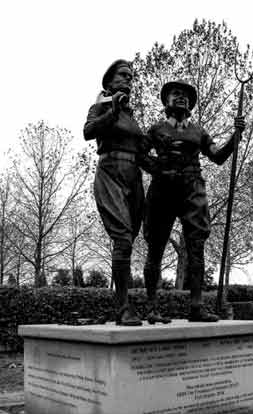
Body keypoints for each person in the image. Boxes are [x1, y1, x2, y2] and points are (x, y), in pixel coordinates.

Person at [142, 79, 245, 322]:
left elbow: (218, 156)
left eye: (186, 96)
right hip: (162, 191)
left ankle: (196, 306)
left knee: (196, 247)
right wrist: (158, 168)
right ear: (166, 101)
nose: (181, 98)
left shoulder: (198, 131)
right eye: (176, 94)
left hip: (192, 190)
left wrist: (236, 136)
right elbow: (139, 154)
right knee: (155, 248)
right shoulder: (156, 130)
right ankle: (151, 308)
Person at [83, 60, 145, 326]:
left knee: (131, 237)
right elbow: (88, 131)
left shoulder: (131, 116)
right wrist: (112, 110)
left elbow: (142, 151)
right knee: (122, 239)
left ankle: (129, 306)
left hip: (134, 175)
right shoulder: (101, 106)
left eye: (131, 77)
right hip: (110, 172)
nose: (128, 80)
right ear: (109, 81)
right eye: (123, 75)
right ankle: (122, 307)